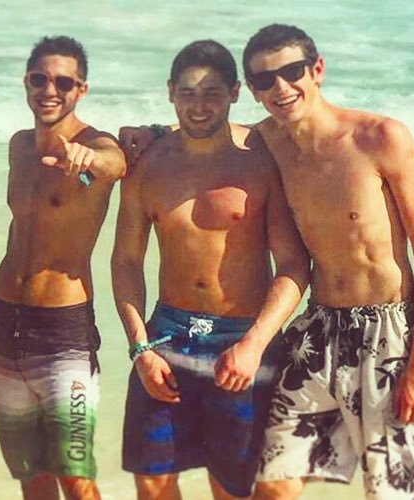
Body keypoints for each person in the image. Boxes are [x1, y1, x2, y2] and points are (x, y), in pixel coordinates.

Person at [239, 25, 414, 500]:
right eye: (265, 80)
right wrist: (148, 133)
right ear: (252, 90)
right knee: (272, 486)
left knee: (390, 493)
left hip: (389, 336)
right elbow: (204, 132)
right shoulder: (268, 143)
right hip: (319, 332)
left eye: (292, 72)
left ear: (317, 70)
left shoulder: (380, 138)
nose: (281, 88)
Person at [108, 40, 309, 500]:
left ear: (235, 92)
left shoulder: (261, 158)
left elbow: (294, 264)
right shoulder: (145, 165)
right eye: (188, 94)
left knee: (230, 488)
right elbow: (126, 261)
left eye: (212, 94)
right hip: (165, 338)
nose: (199, 107)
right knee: (152, 483)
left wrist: (255, 344)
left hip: (241, 342)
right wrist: (140, 347)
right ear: (170, 93)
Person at [0, 35, 126, 500]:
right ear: (26, 82)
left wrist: (90, 159)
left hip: (63, 333)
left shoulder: (94, 145)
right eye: (39, 79)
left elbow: (115, 163)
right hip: (4, 324)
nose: (49, 90)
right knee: (31, 473)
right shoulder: (19, 146)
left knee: (75, 474)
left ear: (81, 89)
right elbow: (22, 227)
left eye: (63, 82)